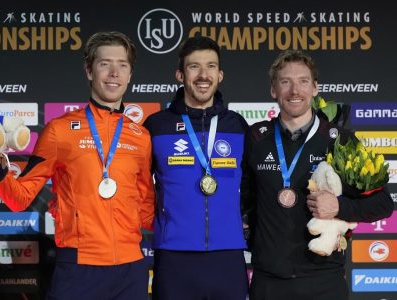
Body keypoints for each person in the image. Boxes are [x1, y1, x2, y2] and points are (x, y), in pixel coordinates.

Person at [0, 31, 155, 300]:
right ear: (89, 71)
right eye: (105, 64)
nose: (114, 72)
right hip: (79, 268)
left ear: (130, 74)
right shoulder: (60, 131)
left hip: (131, 270)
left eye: (122, 65)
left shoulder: (141, 137)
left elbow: (148, 208)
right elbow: (19, 199)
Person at [241, 49, 394, 300]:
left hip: (323, 281)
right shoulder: (257, 138)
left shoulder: (341, 141)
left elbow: (384, 204)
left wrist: (339, 207)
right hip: (268, 281)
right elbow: (245, 201)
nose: (294, 91)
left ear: (315, 88)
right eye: (285, 82)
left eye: (303, 81)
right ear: (273, 90)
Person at [144, 36, 249, 299]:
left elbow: (255, 187)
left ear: (220, 74)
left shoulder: (238, 125)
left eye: (211, 66)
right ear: (180, 74)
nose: (204, 75)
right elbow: (137, 187)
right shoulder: (156, 125)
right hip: (174, 256)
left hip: (228, 255)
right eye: (194, 67)